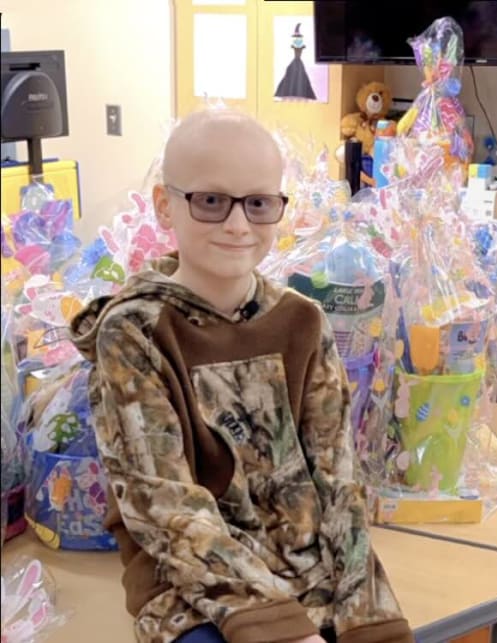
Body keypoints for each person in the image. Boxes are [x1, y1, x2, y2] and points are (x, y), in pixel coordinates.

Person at [70, 109, 412, 643]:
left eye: (258, 203)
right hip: (189, 587)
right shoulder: (134, 331)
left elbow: (337, 482)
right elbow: (165, 507)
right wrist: (284, 631)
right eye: (210, 201)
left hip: (307, 571)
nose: (237, 225)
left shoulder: (302, 320)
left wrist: (365, 610)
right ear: (166, 206)